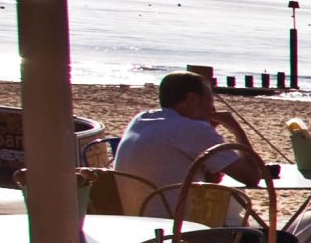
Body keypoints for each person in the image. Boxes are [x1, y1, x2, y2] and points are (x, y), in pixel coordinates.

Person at [110, 71, 263, 217]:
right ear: (192, 99)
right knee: (239, 211)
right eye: (210, 100)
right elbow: (252, 177)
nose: (213, 108)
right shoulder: (193, 129)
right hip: (178, 225)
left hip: (136, 219)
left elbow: (211, 178)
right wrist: (236, 129)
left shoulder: (140, 120)